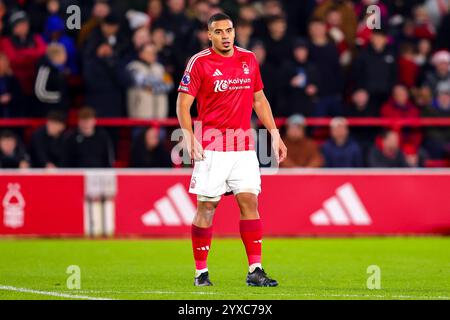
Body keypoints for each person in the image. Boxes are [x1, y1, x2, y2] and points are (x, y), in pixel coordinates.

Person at [176, 13, 287, 287]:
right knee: (208, 206)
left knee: (249, 202)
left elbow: (259, 99)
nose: (225, 36)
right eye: (218, 31)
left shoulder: (248, 58)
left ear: (234, 32)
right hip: (212, 147)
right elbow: (183, 103)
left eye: (229, 30)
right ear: (209, 35)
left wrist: (274, 134)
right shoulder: (199, 62)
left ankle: (255, 270)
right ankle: (201, 272)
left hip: (244, 147)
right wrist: (189, 136)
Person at [126, 43, 173, 119]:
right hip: (140, 118)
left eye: (154, 53)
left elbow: (169, 85)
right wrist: (159, 84)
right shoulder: (133, 67)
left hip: (160, 118)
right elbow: (143, 82)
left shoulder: (160, 67)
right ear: (141, 54)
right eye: (148, 52)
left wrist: (152, 88)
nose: (152, 55)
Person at [34, 43, 69, 117]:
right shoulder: (44, 69)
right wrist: (60, 96)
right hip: (48, 111)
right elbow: (40, 92)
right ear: (56, 55)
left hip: (59, 110)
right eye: (64, 53)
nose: (66, 56)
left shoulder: (59, 70)